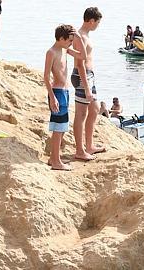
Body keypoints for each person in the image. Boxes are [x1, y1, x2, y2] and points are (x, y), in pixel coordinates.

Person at [43, 24, 86, 171]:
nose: (70, 43)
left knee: (62, 127)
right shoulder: (51, 52)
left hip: (66, 92)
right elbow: (46, 77)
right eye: (69, 40)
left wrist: (78, 37)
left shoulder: (64, 49)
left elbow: (83, 56)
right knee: (58, 128)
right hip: (57, 92)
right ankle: (56, 161)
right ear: (61, 38)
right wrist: (52, 96)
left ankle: (53, 158)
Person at [71, 7, 105, 162]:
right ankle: (79, 150)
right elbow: (79, 63)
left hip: (90, 76)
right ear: (91, 21)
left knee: (95, 108)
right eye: (97, 22)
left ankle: (89, 145)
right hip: (82, 76)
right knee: (81, 114)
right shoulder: (80, 37)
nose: (98, 25)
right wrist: (85, 86)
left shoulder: (86, 35)